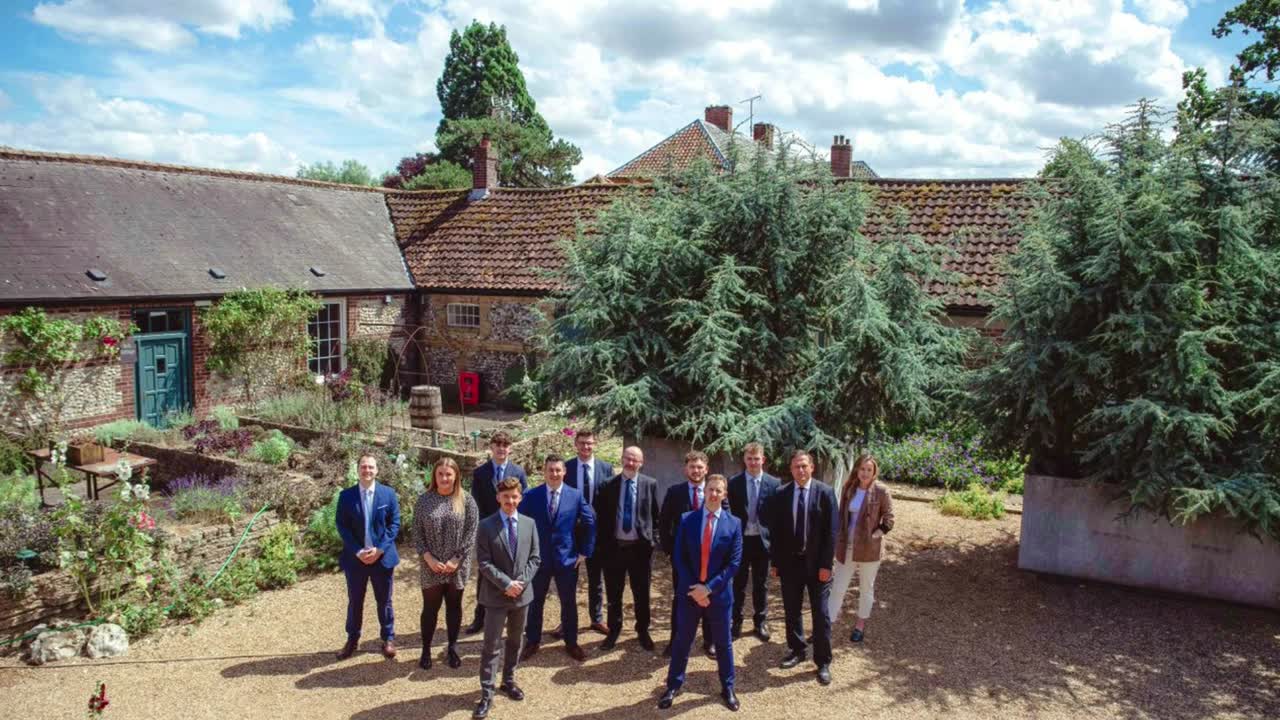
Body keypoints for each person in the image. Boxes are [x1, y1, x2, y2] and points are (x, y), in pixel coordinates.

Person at [659, 474, 743, 712]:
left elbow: (734, 563)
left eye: (719, 490)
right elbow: (679, 557)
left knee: (724, 644)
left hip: (719, 595)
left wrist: (708, 588)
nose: (714, 494)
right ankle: (673, 685)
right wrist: (696, 589)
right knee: (682, 641)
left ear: (724, 494)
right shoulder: (688, 519)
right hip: (690, 593)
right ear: (704, 492)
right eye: (710, 490)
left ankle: (727, 688)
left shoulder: (734, 523)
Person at [767, 449, 837, 685]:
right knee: (792, 610)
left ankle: (823, 661)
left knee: (821, 613)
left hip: (818, 566)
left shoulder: (825, 493)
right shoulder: (781, 494)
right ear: (791, 469)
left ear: (812, 468)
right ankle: (797, 650)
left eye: (804, 465)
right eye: (796, 466)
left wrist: (826, 565)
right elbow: (776, 531)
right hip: (790, 564)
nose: (801, 470)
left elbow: (832, 532)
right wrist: (775, 562)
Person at [473, 477, 541, 719]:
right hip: (495, 596)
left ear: (520, 498)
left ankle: (508, 681)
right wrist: (506, 584)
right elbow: (483, 562)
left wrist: (520, 583)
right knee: (491, 646)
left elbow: (535, 558)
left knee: (515, 642)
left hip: (521, 596)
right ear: (498, 498)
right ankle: (486, 693)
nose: (510, 501)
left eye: (514, 497)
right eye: (506, 497)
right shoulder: (485, 526)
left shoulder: (529, 524)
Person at [517, 454, 596, 662]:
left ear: (564, 472)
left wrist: (584, 552)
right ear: (544, 472)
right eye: (550, 470)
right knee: (535, 602)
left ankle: (571, 642)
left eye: (558, 470)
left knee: (568, 603)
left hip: (567, 559)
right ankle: (532, 641)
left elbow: (589, 522)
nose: (554, 474)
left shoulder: (575, 495)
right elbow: (520, 524)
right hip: (538, 559)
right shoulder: (531, 495)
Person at [593, 445, 661, 652]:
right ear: (622, 459)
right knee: (614, 594)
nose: (631, 463)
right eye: (628, 458)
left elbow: (655, 516)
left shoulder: (650, 484)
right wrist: (601, 545)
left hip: (640, 550)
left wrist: (653, 540)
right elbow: (599, 517)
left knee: (641, 593)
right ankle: (614, 630)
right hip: (614, 549)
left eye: (635, 460)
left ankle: (643, 630)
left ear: (641, 463)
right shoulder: (607, 485)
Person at [413, 457, 479, 670]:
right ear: (434, 475)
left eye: (448, 474)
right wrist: (428, 558)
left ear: (456, 476)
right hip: (430, 565)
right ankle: (426, 649)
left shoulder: (466, 500)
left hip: (456, 566)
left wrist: (456, 559)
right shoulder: (424, 501)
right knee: (430, 609)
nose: (444, 478)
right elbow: (417, 533)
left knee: (453, 607)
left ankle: (452, 647)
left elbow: (471, 532)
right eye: (440, 474)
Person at [334, 452, 401, 660]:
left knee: (385, 601)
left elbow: (394, 524)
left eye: (371, 467)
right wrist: (358, 551)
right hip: (356, 559)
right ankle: (352, 640)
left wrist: (379, 549)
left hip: (382, 558)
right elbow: (342, 526)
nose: (367, 470)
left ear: (377, 470)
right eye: (363, 466)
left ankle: (388, 639)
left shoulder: (388, 494)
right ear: (357, 470)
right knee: (355, 601)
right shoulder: (346, 496)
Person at [466, 432, 528, 636]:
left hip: (512, 528)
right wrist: (487, 527)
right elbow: (476, 503)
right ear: (491, 447)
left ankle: (513, 615)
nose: (501, 448)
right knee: (486, 574)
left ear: (510, 448)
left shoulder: (518, 471)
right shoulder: (480, 473)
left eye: (505, 444)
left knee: (512, 570)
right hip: (489, 530)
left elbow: (523, 500)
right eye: (498, 444)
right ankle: (480, 617)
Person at [659, 450, 719, 658]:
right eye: (692, 467)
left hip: (711, 558)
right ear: (686, 469)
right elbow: (664, 523)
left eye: (700, 467)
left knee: (709, 598)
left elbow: (726, 521)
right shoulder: (675, 492)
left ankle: (710, 641)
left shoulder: (715, 491)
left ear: (706, 469)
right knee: (681, 599)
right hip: (683, 560)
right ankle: (676, 641)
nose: (696, 471)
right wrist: (670, 552)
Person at [829, 454, 895, 643]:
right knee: (838, 587)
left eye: (869, 470)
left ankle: (860, 625)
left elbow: (889, 518)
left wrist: (875, 535)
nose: (865, 473)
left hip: (869, 550)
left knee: (866, 588)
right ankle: (828, 624)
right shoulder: (849, 488)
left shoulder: (881, 491)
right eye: (862, 469)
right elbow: (841, 516)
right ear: (857, 469)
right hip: (847, 547)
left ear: (874, 472)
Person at [727, 442, 781, 642]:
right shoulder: (733, 483)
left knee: (761, 584)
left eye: (756, 459)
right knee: (738, 584)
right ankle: (736, 621)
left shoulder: (774, 483)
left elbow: (777, 515)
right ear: (744, 460)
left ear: (763, 460)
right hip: (740, 541)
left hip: (762, 541)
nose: (752, 462)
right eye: (749, 459)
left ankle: (760, 622)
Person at [562, 429, 613, 636]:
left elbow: (609, 500)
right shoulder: (566, 467)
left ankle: (597, 619)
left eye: (589, 443)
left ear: (595, 444)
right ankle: (566, 620)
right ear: (575, 444)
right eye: (582, 443)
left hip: (596, 532)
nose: (586, 446)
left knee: (595, 577)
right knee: (567, 578)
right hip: (571, 531)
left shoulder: (606, 468)